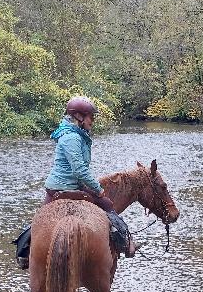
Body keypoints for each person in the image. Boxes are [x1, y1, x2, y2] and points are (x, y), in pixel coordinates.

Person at [13, 96, 135, 268]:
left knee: (38, 220)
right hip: (67, 187)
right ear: (78, 116)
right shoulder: (72, 137)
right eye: (91, 117)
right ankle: (125, 243)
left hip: (58, 188)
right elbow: (80, 170)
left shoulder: (74, 134)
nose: (93, 121)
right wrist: (97, 189)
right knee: (108, 206)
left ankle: (24, 252)